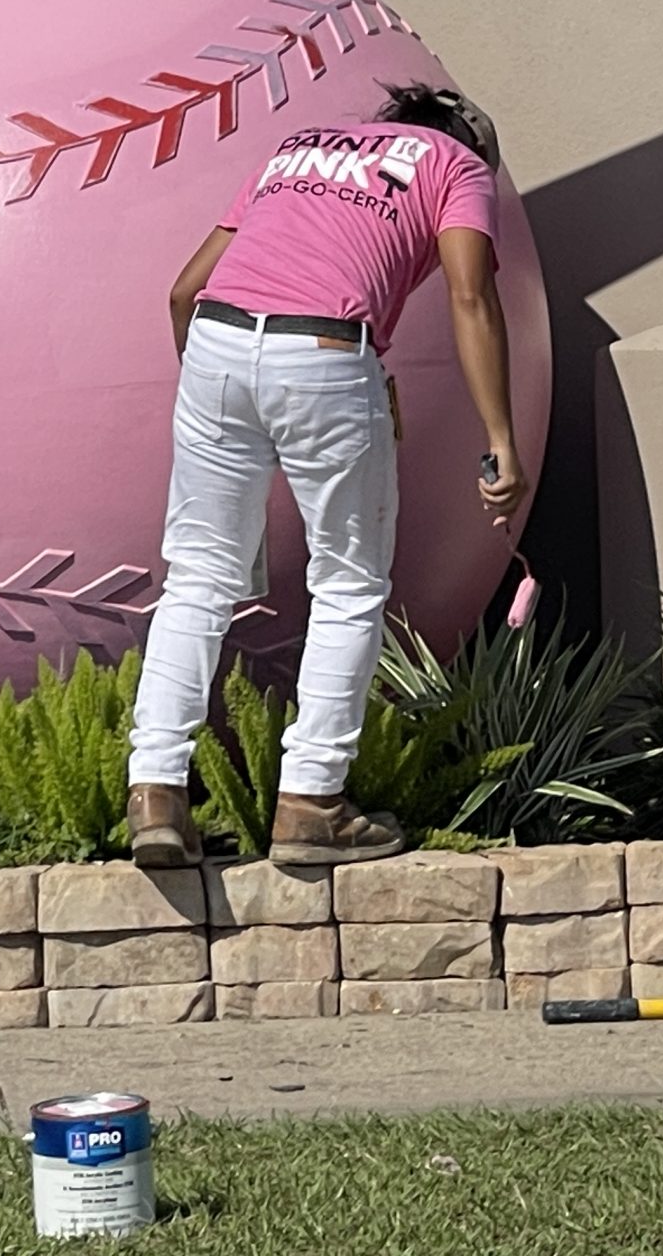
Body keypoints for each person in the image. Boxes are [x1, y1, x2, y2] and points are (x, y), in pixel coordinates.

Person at [125, 83, 526, 867]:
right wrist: (500, 438)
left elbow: (182, 290)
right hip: (328, 351)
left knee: (199, 578)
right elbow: (471, 296)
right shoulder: (457, 165)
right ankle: (312, 801)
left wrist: (233, 395)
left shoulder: (298, 147)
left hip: (216, 340)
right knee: (347, 583)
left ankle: (155, 794)